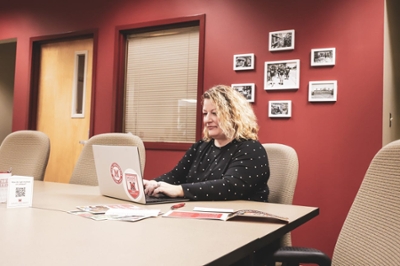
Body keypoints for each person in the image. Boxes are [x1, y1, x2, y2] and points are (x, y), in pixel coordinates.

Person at [143, 85, 270, 202]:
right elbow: (176, 175)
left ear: (233, 115)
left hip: (241, 220)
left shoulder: (251, 149)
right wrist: (155, 184)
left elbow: (230, 186)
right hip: (202, 215)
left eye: (214, 113)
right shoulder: (200, 146)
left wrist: (180, 190)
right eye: (205, 113)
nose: (207, 120)